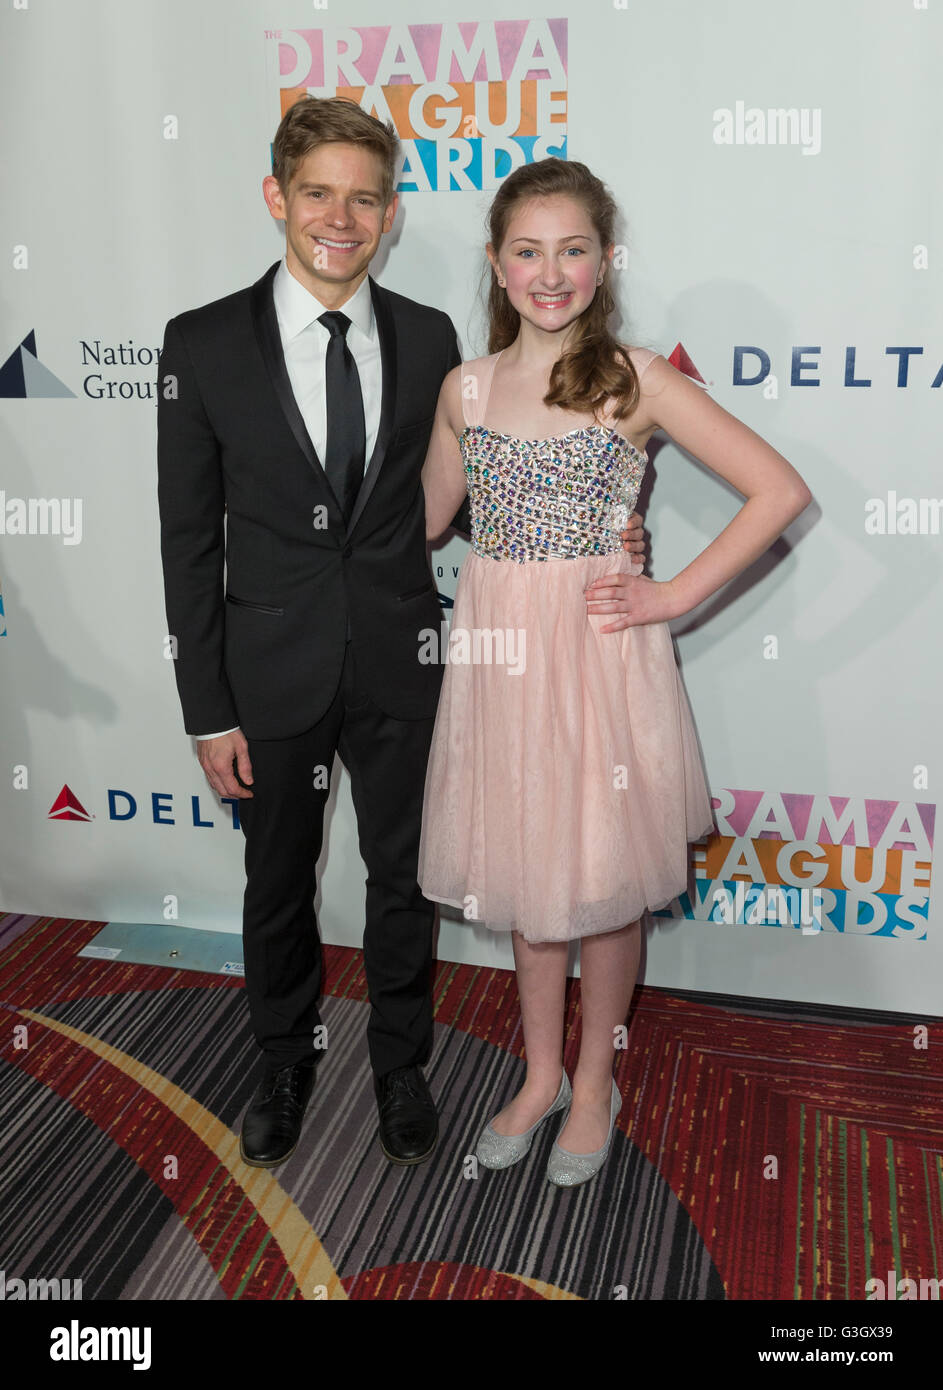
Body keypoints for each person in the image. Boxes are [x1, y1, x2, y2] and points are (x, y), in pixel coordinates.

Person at [156, 100, 646, 1170]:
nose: (341, 216)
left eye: (364, 196)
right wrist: (207, 709)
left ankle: (400, 1065)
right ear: (277, 197)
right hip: (267, 670)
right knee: (276, 881)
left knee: (402, 880)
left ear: (389, 213)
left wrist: (603, 522)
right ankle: (282, 1061)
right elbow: (187, 543)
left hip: (405, 662)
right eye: (319, 192)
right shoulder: (199, 343)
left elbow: (458, 493)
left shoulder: (429, 337)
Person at [418, 157, 812, 1188]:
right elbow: (415, 521)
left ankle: (597, 1079)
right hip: (500, 654)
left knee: (599, 880)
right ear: (498, 267)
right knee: (526, 873)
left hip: (597, 657)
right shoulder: (464, 387)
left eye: (573, 250)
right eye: (528, 251)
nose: (551, 273)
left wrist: (670, 592)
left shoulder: (633, 377)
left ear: (603, 261)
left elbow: (776, 489)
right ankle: (540, 1071)